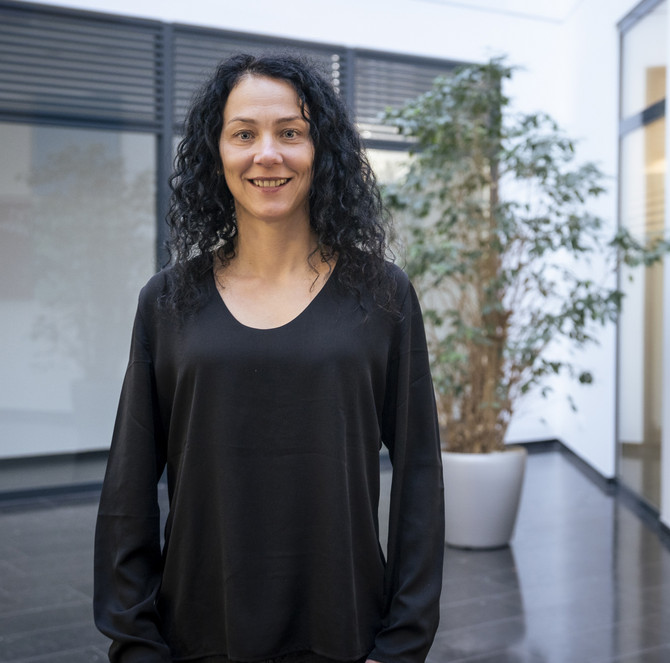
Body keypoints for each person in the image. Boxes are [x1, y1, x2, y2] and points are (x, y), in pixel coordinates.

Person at [93, 53, 444, 663]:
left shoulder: (382, 294)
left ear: (321, 150)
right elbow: (128, 489)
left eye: (290, 132)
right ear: (216, 154)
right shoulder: (169, 301)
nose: (267, 154)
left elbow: (419, 478)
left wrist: (403, 642)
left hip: (344, 632)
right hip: (197, 634)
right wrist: (135, 642)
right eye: (243, 134)